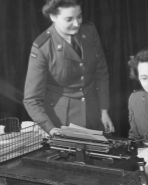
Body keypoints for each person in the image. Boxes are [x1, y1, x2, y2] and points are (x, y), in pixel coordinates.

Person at [23, 0, 114, 135]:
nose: (77, 23)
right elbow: (31, 100)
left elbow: (101, 73)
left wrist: (104, 111)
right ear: (53, 17)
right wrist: (50, 128)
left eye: (79, 16)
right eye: (69, 19)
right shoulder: (42, 47)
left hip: (94, 115)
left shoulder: (89, 30)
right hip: (62, 122)